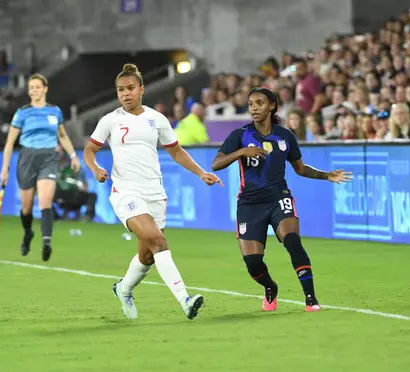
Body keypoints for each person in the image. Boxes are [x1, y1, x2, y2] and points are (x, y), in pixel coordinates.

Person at [83, 64, 223, 321]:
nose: (125, 94)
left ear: (141, 90)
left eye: (130, 88)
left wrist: (201, 173)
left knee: (147, 256)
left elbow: (176, 152)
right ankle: (186, 300)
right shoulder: (110, 120)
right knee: (159, 242)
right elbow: (89, 151)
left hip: (154, 193)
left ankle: (123, 288)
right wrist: (95, 169)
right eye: (120, 90)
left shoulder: (156, 119)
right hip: (126, 192)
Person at [211, 88, 352, 312]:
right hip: (249, 204)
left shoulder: (285, 136)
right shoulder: (240, 135)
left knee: (293, 241)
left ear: (272, 106)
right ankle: (270, 287)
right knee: (253, 263)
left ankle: (311, 298)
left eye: (259, 103)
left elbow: (300, 168)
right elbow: (215, 164)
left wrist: (327, 175)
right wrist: (240, 153)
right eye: (250, 104)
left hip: (278, 198)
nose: (254, 108)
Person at [0, 73, 80, 261]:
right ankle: (28, 232)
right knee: (26, 208)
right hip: (27, 158)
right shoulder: (22, 113)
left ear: (45, 89)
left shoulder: (55, 111)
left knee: (45, 201)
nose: (34, 90)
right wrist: (4, 169)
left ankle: (46, 242)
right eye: (31, 87)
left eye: (37, 86)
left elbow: (62, 135)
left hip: (49, 157)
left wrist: (73, 156)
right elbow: (10, 142)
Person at [54, 146, 97, 221]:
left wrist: (83, 188)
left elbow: (84, 184)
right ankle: (53, 216)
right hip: (60, 194)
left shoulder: (76, 167)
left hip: (75, 194)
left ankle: (88, 217)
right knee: (47, 194)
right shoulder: (54, 167)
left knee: (92, 196)